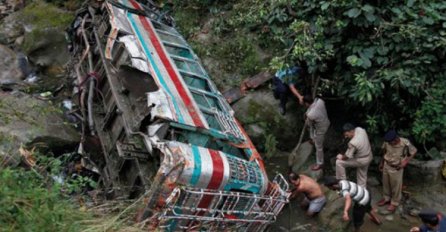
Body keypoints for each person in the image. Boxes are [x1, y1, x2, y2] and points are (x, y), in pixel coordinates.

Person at [377, 129, 417, 213]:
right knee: (385, 183)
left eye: (391, 142)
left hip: (397, 167)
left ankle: (394, 202)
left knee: (396, 186)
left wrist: (405, 161)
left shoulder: (405, 143)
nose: (389, 143)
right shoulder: (387, 142)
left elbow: (414, 151)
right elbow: (384, 151)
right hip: (386, 165)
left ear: (396, 139)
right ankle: (386, 198)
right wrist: (382, 162)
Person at [336, 123, 373, 188]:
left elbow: (346, 157)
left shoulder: (353, 142)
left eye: (347, 135)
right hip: (368, 156)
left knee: (339, 162)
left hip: (361, 160)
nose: (345, 137)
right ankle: (362, 192)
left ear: (351, 131)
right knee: (362, 176)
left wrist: (341, 156)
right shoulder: (360, 129)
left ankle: (342, 184)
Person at [304, 95, 330, 171]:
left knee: (318, 147)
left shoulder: (311, 114)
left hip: (321, 129)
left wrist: (306, 117)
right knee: (312, 127)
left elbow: (308, 124)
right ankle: (312, 139)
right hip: (326, 121)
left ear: (306, 103)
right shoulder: (320, 101)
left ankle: (320, 163)